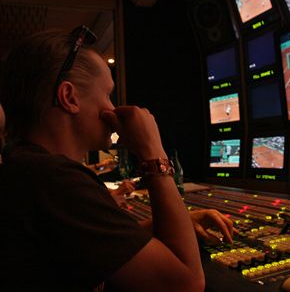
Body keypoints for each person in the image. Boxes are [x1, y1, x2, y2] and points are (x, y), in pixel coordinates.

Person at [0, 27, 233, 291]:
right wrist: (153, 150)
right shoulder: (54, 180)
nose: (112, 108)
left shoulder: (27, 167)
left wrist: (163, 225)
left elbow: (89, 240)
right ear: (69, 97)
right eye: (107, 95)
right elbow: (186, 283)